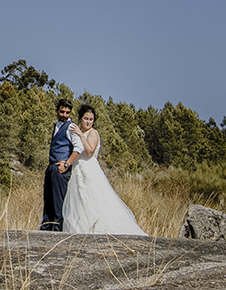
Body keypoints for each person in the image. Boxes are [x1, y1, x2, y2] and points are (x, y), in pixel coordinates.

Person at [62, 104, 147, 235]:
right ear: (80, 118)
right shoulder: (77, 132)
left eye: (91, 119)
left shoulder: (92, 133)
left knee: (93, 199)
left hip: (89, 170)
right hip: (77, 169)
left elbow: (89, 151)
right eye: (86, 119)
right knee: (79, 201)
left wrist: (80, 135)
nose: (88, 122)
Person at [40, 98, 82, 231]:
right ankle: (45, 229)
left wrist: (67, 164)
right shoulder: (56, 125)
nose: (64, 115)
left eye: (67, 113)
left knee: (59, 203)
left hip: (61, 169)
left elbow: (79, 148)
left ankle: (58, 232)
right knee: (48, 201)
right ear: (57, 111)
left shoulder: (71, 127)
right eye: (62, 112)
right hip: (51, 166)